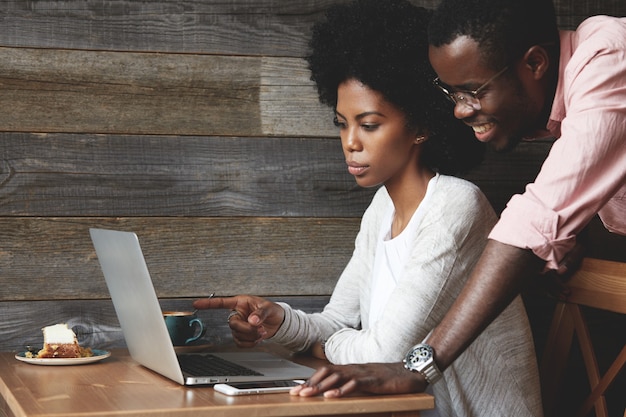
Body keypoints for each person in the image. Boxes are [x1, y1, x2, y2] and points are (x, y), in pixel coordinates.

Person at [194, 1, 544, 415]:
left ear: (422, 126)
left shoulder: (455, 205)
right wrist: (280, 323)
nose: (351, 142)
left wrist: (323, 346)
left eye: (370, 124)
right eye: (342, 123)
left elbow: (383, 352)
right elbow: (338, 319)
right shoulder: (381, 209)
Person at [292, 0, 626, 403]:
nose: (459, 109)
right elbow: (594, 160)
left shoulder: (609, 59)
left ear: (535, 63)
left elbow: (538, 213)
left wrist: (419, 367)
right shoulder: (584, 80)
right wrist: (573, 232)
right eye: (451, 92)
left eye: (473, 91)